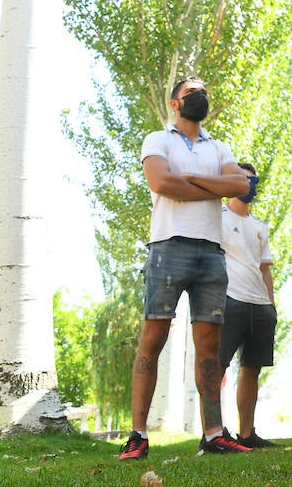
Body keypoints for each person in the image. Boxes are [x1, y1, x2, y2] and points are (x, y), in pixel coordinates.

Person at [119, 75, 253, 459]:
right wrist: (214, 186)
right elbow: (161, 182)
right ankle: (138, 435)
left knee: (209, 346)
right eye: (191, 92)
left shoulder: (219, 146)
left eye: (203, 92)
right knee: (153, 337)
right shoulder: (157, 140)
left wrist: (193, 179)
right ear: (175, 103)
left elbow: (240, 186)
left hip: (212, 253)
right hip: (168, 248)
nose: (200, 97)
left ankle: (213, 434)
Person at [218, 162, 279, 448]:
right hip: (229, 300)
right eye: (243, 179)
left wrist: (272, 306)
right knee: (217, 367)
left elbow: (266, 269)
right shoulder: (216, 216)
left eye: (253, 180)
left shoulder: (259, 226)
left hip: (260, 306)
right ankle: (214, 434)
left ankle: (247, 434)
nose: (249, 184)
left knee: (252, 369)